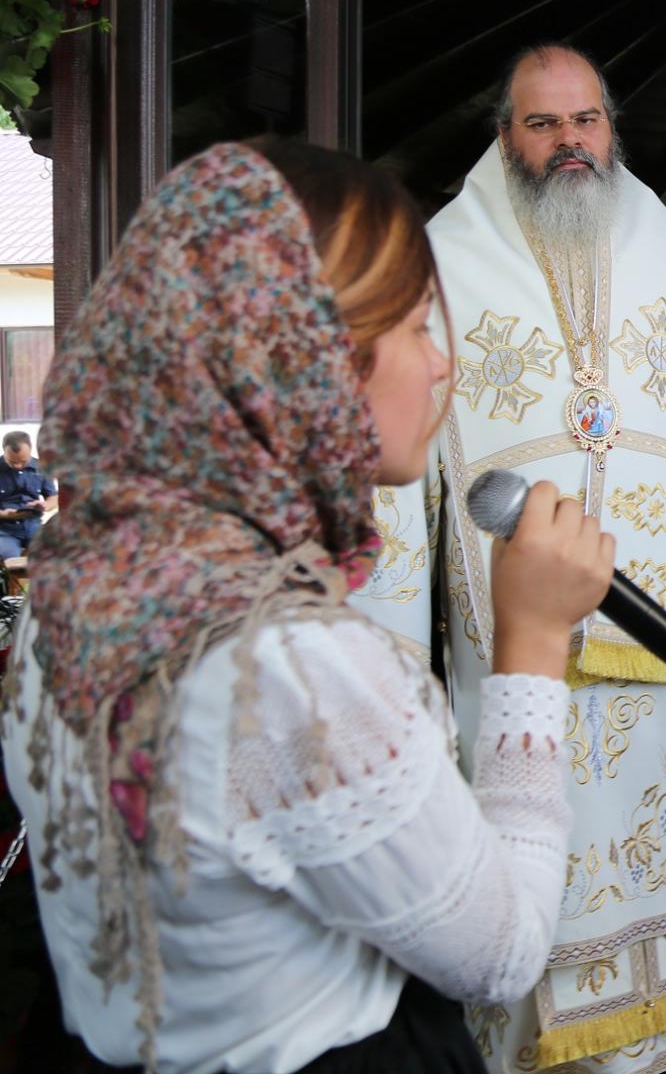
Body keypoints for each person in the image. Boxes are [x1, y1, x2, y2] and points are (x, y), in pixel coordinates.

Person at [0, 140, 609, 1071]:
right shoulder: (286, 666)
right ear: (312, 364)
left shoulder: (79, 584)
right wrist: (531, 642)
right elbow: (503, 953)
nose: (440, 362)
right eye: (412, 326)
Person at [347, 43, 666, 1074]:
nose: (570, 144)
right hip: (514, 629)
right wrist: (386, 614)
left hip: (659, 623)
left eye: (586, 121)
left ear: (611, 128)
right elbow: (400, 428)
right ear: (503, 136)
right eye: (544, 124)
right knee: (530, 827)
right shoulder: (437, 259)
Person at [0, 429, 57, 559]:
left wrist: (45, 505)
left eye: (23, 461)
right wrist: (5, 515)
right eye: (12, 462)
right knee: (11, 560)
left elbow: (53, 497)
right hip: (4, 530)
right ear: (4, 451)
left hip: (34, 525)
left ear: (31, 450)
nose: (18, 466)